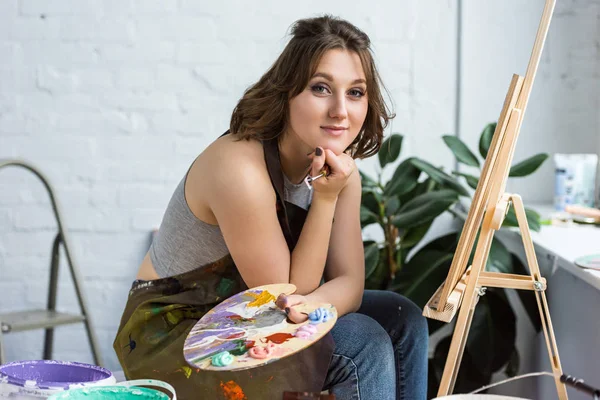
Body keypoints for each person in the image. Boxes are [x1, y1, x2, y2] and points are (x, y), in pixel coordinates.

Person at [114, 14, 428, 400]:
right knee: (362, 341)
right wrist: (326, 199)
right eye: (320, 88)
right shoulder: (239, 169)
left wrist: (311, 305)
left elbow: (351, 285)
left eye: (356, 92)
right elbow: (283, 290)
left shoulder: (342, 170)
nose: (340, 111)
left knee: (403, 318)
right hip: (180, 333)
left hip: (260, 312)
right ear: (287, 91)